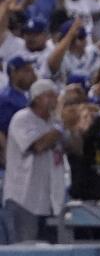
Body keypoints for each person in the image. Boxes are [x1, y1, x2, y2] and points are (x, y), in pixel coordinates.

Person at [2, 80, 74, 242]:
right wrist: (60, 128)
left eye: (56, 95)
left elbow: (75, 148)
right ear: (36, 98)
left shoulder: (54, 122)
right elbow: (38, 146)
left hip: (51, 201)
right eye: (49, 95)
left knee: (51, 255)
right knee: (24, 252)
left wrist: (71, 126)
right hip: (24, 199)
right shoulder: (22, 118)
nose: (55, 100)